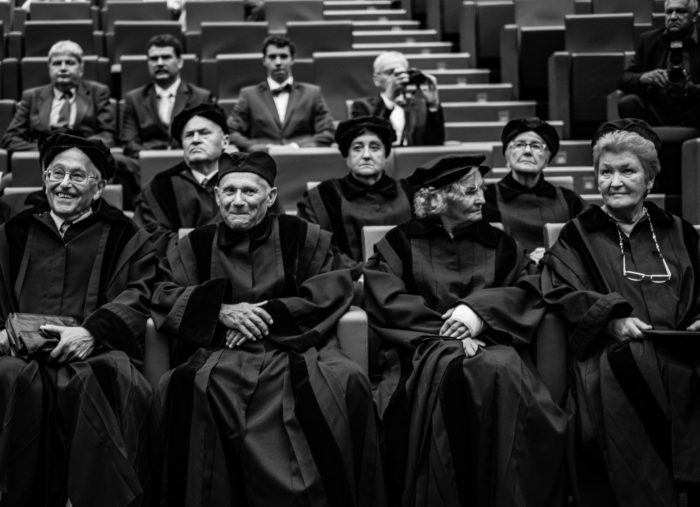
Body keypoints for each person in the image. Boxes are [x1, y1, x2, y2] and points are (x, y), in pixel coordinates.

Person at [150, 151, 384, 507]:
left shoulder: (303, 236)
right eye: (229, 191)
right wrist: (221, 311)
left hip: (293, 346)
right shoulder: (194, 244)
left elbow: (333, 287)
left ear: (271, 196)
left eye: (249, 191)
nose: (238, 201)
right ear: (217, 195)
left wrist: (265, 316)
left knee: (347, 379)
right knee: (180, 385)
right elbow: (162, 293)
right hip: (220, 350)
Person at [364, 154, 567, 506]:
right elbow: (387, 299)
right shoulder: (399, 244)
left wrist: (477, 315)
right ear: (439, 199)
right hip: (421, 347)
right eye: (471, 192)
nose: (482, 199)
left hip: (491, 340)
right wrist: (450, 334)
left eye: (482, 190)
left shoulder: (501, 244)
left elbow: (528, 288)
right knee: (455, 371)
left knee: (504, 371)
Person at [539, 119, 700, 507]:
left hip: (683, 344)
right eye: (605, 172)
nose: (615, 182)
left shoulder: (679, 231)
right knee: (630, 364)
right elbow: (560, 290)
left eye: (627, 171)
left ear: (650, 179)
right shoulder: (578, 233)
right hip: (613, 349)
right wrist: (610, 320)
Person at [0, 132, 156, 506]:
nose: (64, 184)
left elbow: (140, 293)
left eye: (78, 176)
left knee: (110, 379)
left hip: (92, 350)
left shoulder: (126, 235)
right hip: (19, 352)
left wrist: (91, 332)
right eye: (56, 173)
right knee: (9, 376)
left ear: (99, 187)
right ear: (44, 179)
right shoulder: (14, 231)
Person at [297, 116, 413, 264]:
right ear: (346, 156)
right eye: (357, 148)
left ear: (386, 155)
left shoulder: (409, 193)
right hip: (345, 277)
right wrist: (356, 272)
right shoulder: (321, 198)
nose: (366, 155)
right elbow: (315, 249)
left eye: (375, 147)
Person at [483, 117, 586, 262]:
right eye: (519, 145)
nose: (527, 151)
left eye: (536, 146)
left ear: (548, 158)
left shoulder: (570, 200)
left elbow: (587, 243)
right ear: (506, 154)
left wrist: (554, 254)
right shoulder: (485, 198)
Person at [134, 104, 228, 257]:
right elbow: (148, 240)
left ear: (225, 141)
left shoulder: (245, 182)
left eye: (204, 133)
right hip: (175, 267)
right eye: (189, 135)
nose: (195, 140)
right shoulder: (159, 187)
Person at [0, 40, 115, 152]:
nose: (63, 68)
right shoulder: (31, 96)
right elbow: (10, 139)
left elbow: (108, 136)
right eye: (57, 63)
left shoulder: (98, 92)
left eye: (70, 63)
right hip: (40, 158)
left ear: (81, 67)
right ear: (49, 68)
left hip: (83, 157)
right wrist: (47, 151)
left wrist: (78, 149)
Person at [226, 34, 335, 152]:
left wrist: (297, 147)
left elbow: (328, 131)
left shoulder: (312, 93)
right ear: (264, 60)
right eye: (272, 57)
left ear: (292, 59)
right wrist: (258, 148)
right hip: (262, 159)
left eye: (283, 56)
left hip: (302, 158)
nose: (278, 62)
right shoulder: (248, 95)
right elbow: (230, 131)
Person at [121, 34, 215, 160]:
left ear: (180, 62)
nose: (159, 63)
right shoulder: (133, 99)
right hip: (146, 163)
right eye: (154, 59)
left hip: (189, 162)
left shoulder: (201, 97)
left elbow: (208, 140)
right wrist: (156, 160)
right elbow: (129, 143)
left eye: (166, 57)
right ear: (148, 63)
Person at [618, 0, 700, 128]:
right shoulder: (648, 40)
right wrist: (644, 77)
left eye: (680, 11)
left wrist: (690, 88)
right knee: (628, 103)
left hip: (694, 110)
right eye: (669, 12)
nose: (673, 17)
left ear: (694, 16)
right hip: (657, 111)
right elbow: (624, 78)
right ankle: (643, 140)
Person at [351, 51, 444, 146]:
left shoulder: (420, 106)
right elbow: (368, 141)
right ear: (376, 79)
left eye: (400, 73)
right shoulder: (361, 106)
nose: (396, 78)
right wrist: (389, 97)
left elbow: (435, 144)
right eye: (390, 73)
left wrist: (433, 105)